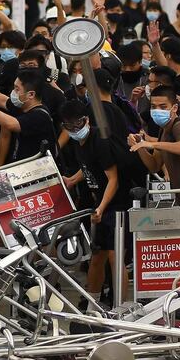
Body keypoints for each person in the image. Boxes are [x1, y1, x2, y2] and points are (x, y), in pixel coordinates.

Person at [60, 100, 130, 310]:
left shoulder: (100, 140)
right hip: (100, 204)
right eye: (69, 127)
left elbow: (113, 179)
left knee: (114, 255)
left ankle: (121, 307)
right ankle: (93, 304)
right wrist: (73, 180)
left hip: (118, 205)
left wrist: (101, 207)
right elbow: (90, 166)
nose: (74, 130)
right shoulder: (79, 143)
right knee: (97, 255)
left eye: (78, 125)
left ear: (87, 120)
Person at [128, 85, 180, 200]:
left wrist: (152, 144)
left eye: (163, 107)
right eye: (153, 106)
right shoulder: (163, 129)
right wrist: (139, 145)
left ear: (175, 108)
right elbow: (154, 166)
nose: (157, 110)